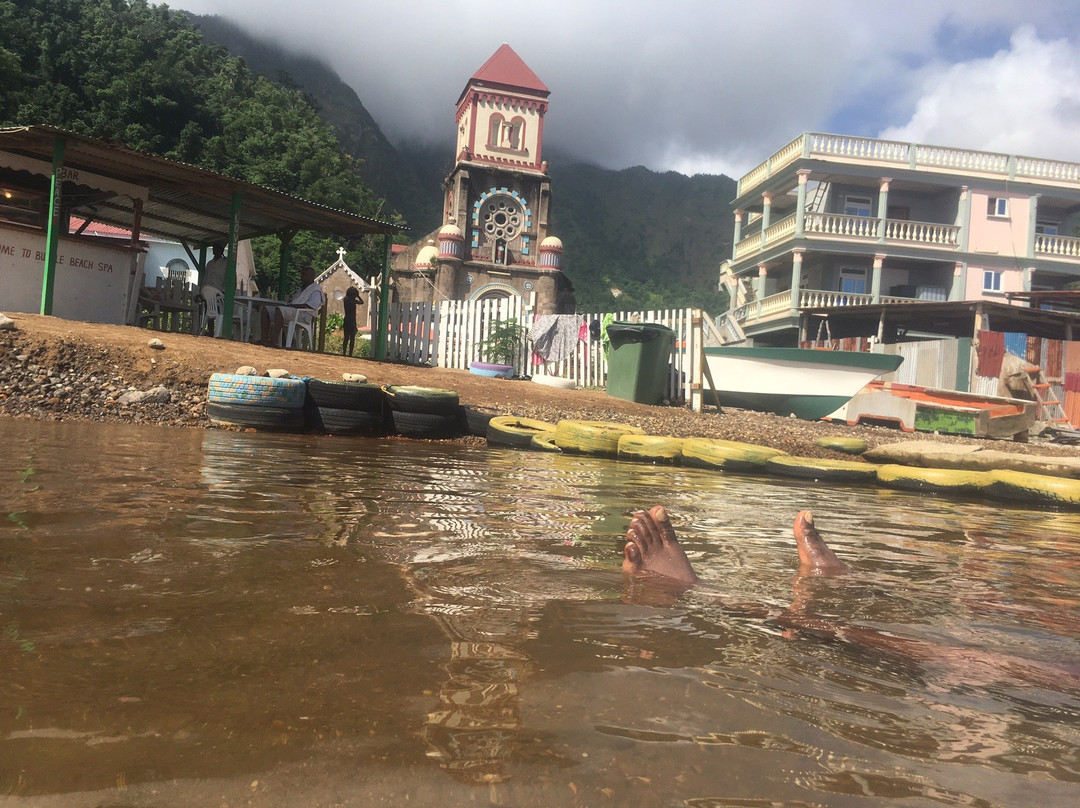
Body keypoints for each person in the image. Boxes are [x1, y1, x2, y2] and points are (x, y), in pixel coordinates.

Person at [259, 265, 326, 348]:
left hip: (303, 315)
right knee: (266, 309)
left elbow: (312, 306)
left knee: (280, 310)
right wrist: (289, 304)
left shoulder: (316, 290)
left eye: (304, 274)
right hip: (293, 311)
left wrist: (293, 306)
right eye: (301, 274)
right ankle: (264, 340)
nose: (301, 277)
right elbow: (294, 300)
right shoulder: (301, 289)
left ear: (311, 276)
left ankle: (273, 341)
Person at [342, 286, 363, 357]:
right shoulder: (353, 301)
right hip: (352, 320)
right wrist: (358, 296)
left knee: (346, 337)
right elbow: (362, 302)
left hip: (346, 319)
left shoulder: (345, 299)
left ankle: (344, 352)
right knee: (352, 338)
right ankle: (350, 353)